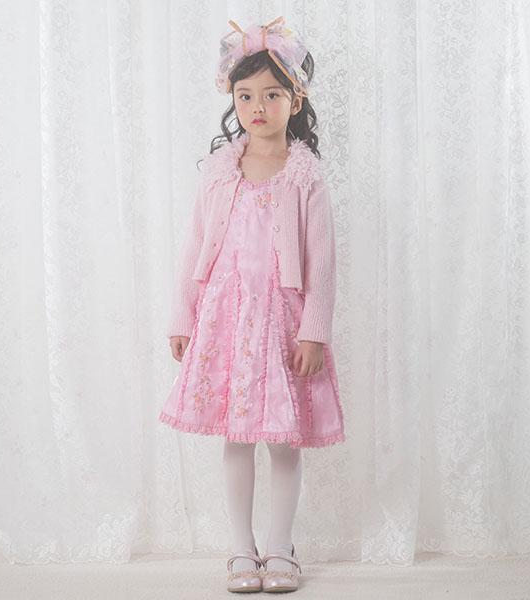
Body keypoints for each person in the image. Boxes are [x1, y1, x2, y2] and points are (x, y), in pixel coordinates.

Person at [158, 15, 345, 594]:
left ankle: (282, 547)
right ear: (232, 99)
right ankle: (242, 549)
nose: (257, 106)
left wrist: (314, 330)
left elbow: (323, 260)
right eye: (245, 95)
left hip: (283, 326)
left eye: (271, 94)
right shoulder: (220, 172)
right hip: (226, 323)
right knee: (236, 437)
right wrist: (183, 315)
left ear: (295, 99)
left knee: (284, 441)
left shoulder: (305, 176)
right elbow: (195, 247)